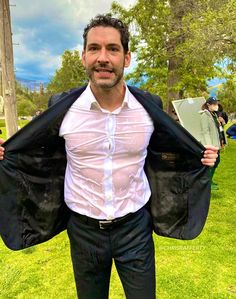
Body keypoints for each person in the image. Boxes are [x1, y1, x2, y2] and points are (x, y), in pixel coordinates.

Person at [0, 14, 218, 299]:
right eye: (94, 48)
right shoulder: (63, 109)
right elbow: (36, 157)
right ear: (83, 57)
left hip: (135, 229)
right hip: (83, 231)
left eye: (112, 49)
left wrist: (202, 159)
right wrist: (6, 153)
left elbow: (170, 153)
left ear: (126, 58)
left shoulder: (148, 107)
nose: (103, 57)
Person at [199, 97, 221, 190]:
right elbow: (205, 131)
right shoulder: (204, 115)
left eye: (216, 103)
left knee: (216, 161)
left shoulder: (213, 114)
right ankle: (206, 182)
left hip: (216, 142)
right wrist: (209, 146)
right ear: (208, 105)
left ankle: (209, 180)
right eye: (214, 104)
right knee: (211, 163)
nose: (216, 105)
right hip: (211, 144)